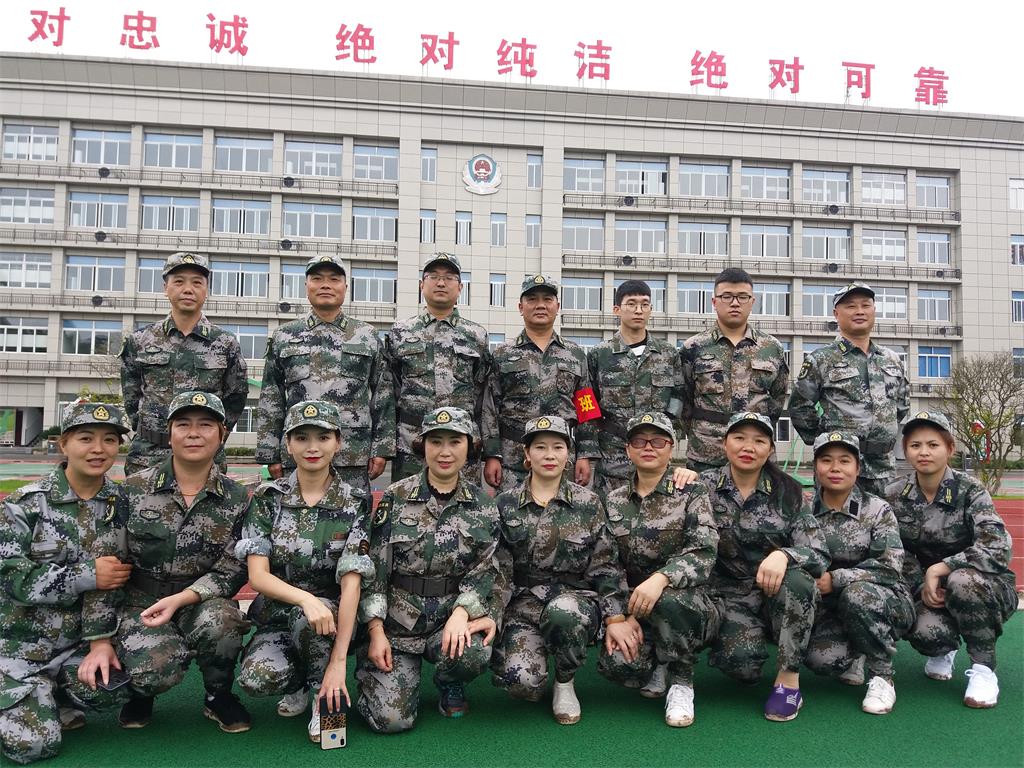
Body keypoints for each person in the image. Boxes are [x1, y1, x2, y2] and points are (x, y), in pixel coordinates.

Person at [0, 402, 132, 764]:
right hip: (21, 647)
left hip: (78, 645)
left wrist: (101, 641)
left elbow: (123, 580)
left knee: (122, 686)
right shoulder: (24, 505)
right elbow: (12, 579)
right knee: (33, 747)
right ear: (64, 444)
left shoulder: (124, 505)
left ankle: (53, 694)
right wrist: (86, 575)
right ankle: (26, 690)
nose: (98, 449)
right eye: (86, 438)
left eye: (109, 440)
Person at [356, 407, 502, 733]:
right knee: (391, 721)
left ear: (470, 446)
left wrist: (463, 613)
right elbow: (376, 568)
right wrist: (376, 631)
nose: (445, 452)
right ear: (423, 446)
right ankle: (374, 678)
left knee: (475, 652)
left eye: (455, 442)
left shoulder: (483, 505)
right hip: (399, 623)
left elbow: (484, 569)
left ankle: (449, 680)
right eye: (436, 442)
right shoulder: (396, 497)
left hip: (449, 620)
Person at [236, 401, 374, 743]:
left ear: (338, 442)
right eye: (301, 438)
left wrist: (339, 661)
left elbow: (352, 583)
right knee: (256, 679)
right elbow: (257, 576)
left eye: (323, 437)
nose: (313, 447)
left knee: (313, 618)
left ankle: (323, 697)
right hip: (279, 614)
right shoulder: (268, 498)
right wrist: (305, 599)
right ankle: (297, 682)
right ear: (288, 444)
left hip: (333, 619)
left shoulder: (355, 502)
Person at [116, 391, 251, 733]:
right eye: (183, 424)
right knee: (153, 671)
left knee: (223, 621)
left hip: (199, 599)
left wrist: (184, 597)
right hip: (142, 601)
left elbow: (234, 567)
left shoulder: (237, 498)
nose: (194, 433)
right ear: (169, 432)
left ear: (222, 434)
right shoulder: (133, 489)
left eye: (205, 425)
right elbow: (113, 559)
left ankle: (218, 696)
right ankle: (142, 692)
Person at [491, 415, 626, 725]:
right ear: (526, 454)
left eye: (557, 447)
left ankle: (565, 680)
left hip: (573, 601)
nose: (549, 455)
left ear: (568, 453)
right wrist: (492, 615)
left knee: (563, 612)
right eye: (540, 447)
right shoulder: (505, 503)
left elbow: (605, 564)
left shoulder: (588, 503)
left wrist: (615, 616)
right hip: (523, 603)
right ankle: (536, 659)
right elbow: (498, 568)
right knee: (521, 683)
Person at [701, 412, 829, 722]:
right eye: (739, 438)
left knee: (799, 580)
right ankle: (758, 638)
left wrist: (784, 555)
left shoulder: (789, 492)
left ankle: (788, 682)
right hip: (728, 596)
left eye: (759, 441)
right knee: (741, 666)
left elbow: (818, 553)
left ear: (770, 449)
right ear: (724, 443)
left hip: (774, 594)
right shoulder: (701, 487)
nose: (749, 447)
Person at [886, 411, 1018, 709]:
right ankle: (944, 648)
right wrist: (922, 585)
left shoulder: (971, 491)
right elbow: (895, 550)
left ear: (950, 448)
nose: (924, 452)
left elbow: (997, 545)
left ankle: (984, 669)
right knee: (925, 633)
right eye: (915, 445)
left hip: (983, 585)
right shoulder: (894, 494)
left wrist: (942, 568)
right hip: (927, 588)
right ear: (906, 450)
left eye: (933, 445)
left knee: (962, 580)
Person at [597, 413, 719, 728]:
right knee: (619, 666)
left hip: (686, 603)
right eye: (639, 441)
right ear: (628, 449)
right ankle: (658, 659)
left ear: (671, 448)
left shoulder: (692, 492)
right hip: (635, 607)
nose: (648, 447)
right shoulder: (613, 501)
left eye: (658, 441)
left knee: (670, 599)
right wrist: (619, 617)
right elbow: (605, 563)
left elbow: (703, 551)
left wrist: (662, 578)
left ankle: (682, 681)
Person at [256, 253, 395, 493]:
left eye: (334, 279)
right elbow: (271, 396)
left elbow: (383, 395)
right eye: (317, 278)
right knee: (296, 512)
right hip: (299, 452)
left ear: (345, 287)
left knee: (352, 514)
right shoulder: (284, 336)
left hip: (352, 453)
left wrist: (381, 449)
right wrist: (270, 452)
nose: (326, 285)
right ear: (306, 286)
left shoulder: (366, 335)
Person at [804, 432, 914, 715]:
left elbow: (889, 567)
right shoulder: (803, 509)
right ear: (815, 466)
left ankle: (882, 676)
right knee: (822, 661)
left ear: (858, 467)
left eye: (844, 460)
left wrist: (836, 579)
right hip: (830, 606)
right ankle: (856, 651)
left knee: (857, 594)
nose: (835, 468)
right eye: (826, 460)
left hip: (883, 599)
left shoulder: (877, 510)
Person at [120, 251, 248, 476]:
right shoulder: (140, 340)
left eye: (197, 283)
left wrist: (213, 435)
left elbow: (235, 397)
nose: (188, 289)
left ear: (206, 290)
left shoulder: (225, 342)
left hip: (204, 453)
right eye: (179, 282)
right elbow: (131, 395)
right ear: (165, 288)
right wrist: (150, 430)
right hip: (149, 454)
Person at [789, 282, 910, 496]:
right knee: (836, 516)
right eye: (851, 306)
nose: (859, 311)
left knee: (884, 516)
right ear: (836, 314)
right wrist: (825, 441)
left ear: (874, 310)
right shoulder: (822, 358)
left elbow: (900, 407)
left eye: (865, 305)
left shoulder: (892, 359)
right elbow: (800, 407)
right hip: (838, 467)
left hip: (884, 468)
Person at [481, 275, 600, 493]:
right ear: (520, 307)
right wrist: (492, 454)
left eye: (547, 299)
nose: (540, 305)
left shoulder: (575, 355)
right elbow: (490, 408)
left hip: (561, 458)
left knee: (560, 510)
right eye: (532, 299)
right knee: (512, 510)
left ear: (557, 306)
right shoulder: (502, 354)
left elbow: (586, 407)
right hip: (513, 458)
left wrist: (585, 454)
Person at [386, 253, 490, 481]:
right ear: (421, 285)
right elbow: (389, 392)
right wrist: (384, 446)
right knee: (408, 501)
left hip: (461, 444)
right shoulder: (400, 332)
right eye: (433, 276)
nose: (441, 283)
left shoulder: (476, 335)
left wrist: (491, 452)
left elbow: (483, 396)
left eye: (449, 277)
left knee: (463, 502)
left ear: (460, 287)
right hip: (412, 443)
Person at [680, 268, 788, 474]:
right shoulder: (693, 347)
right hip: (707, 452)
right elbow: (683, 400)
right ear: (714, 302)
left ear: (752, 302)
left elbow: (777, 399)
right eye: (727, 296)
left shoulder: (771, 348)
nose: (735, 303)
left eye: (742, 297)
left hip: (755, 452)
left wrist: (756, 428)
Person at [588, 280, 684, 497]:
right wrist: (588, 451)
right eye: (631, 304)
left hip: (655, 456)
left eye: (644, 304)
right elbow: (587, 406)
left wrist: (669, 439)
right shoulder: (599, 354)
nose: (638, 310)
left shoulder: (668, 354)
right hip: (613, 458)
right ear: (617, 309)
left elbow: (678, 398)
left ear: (651, 309)